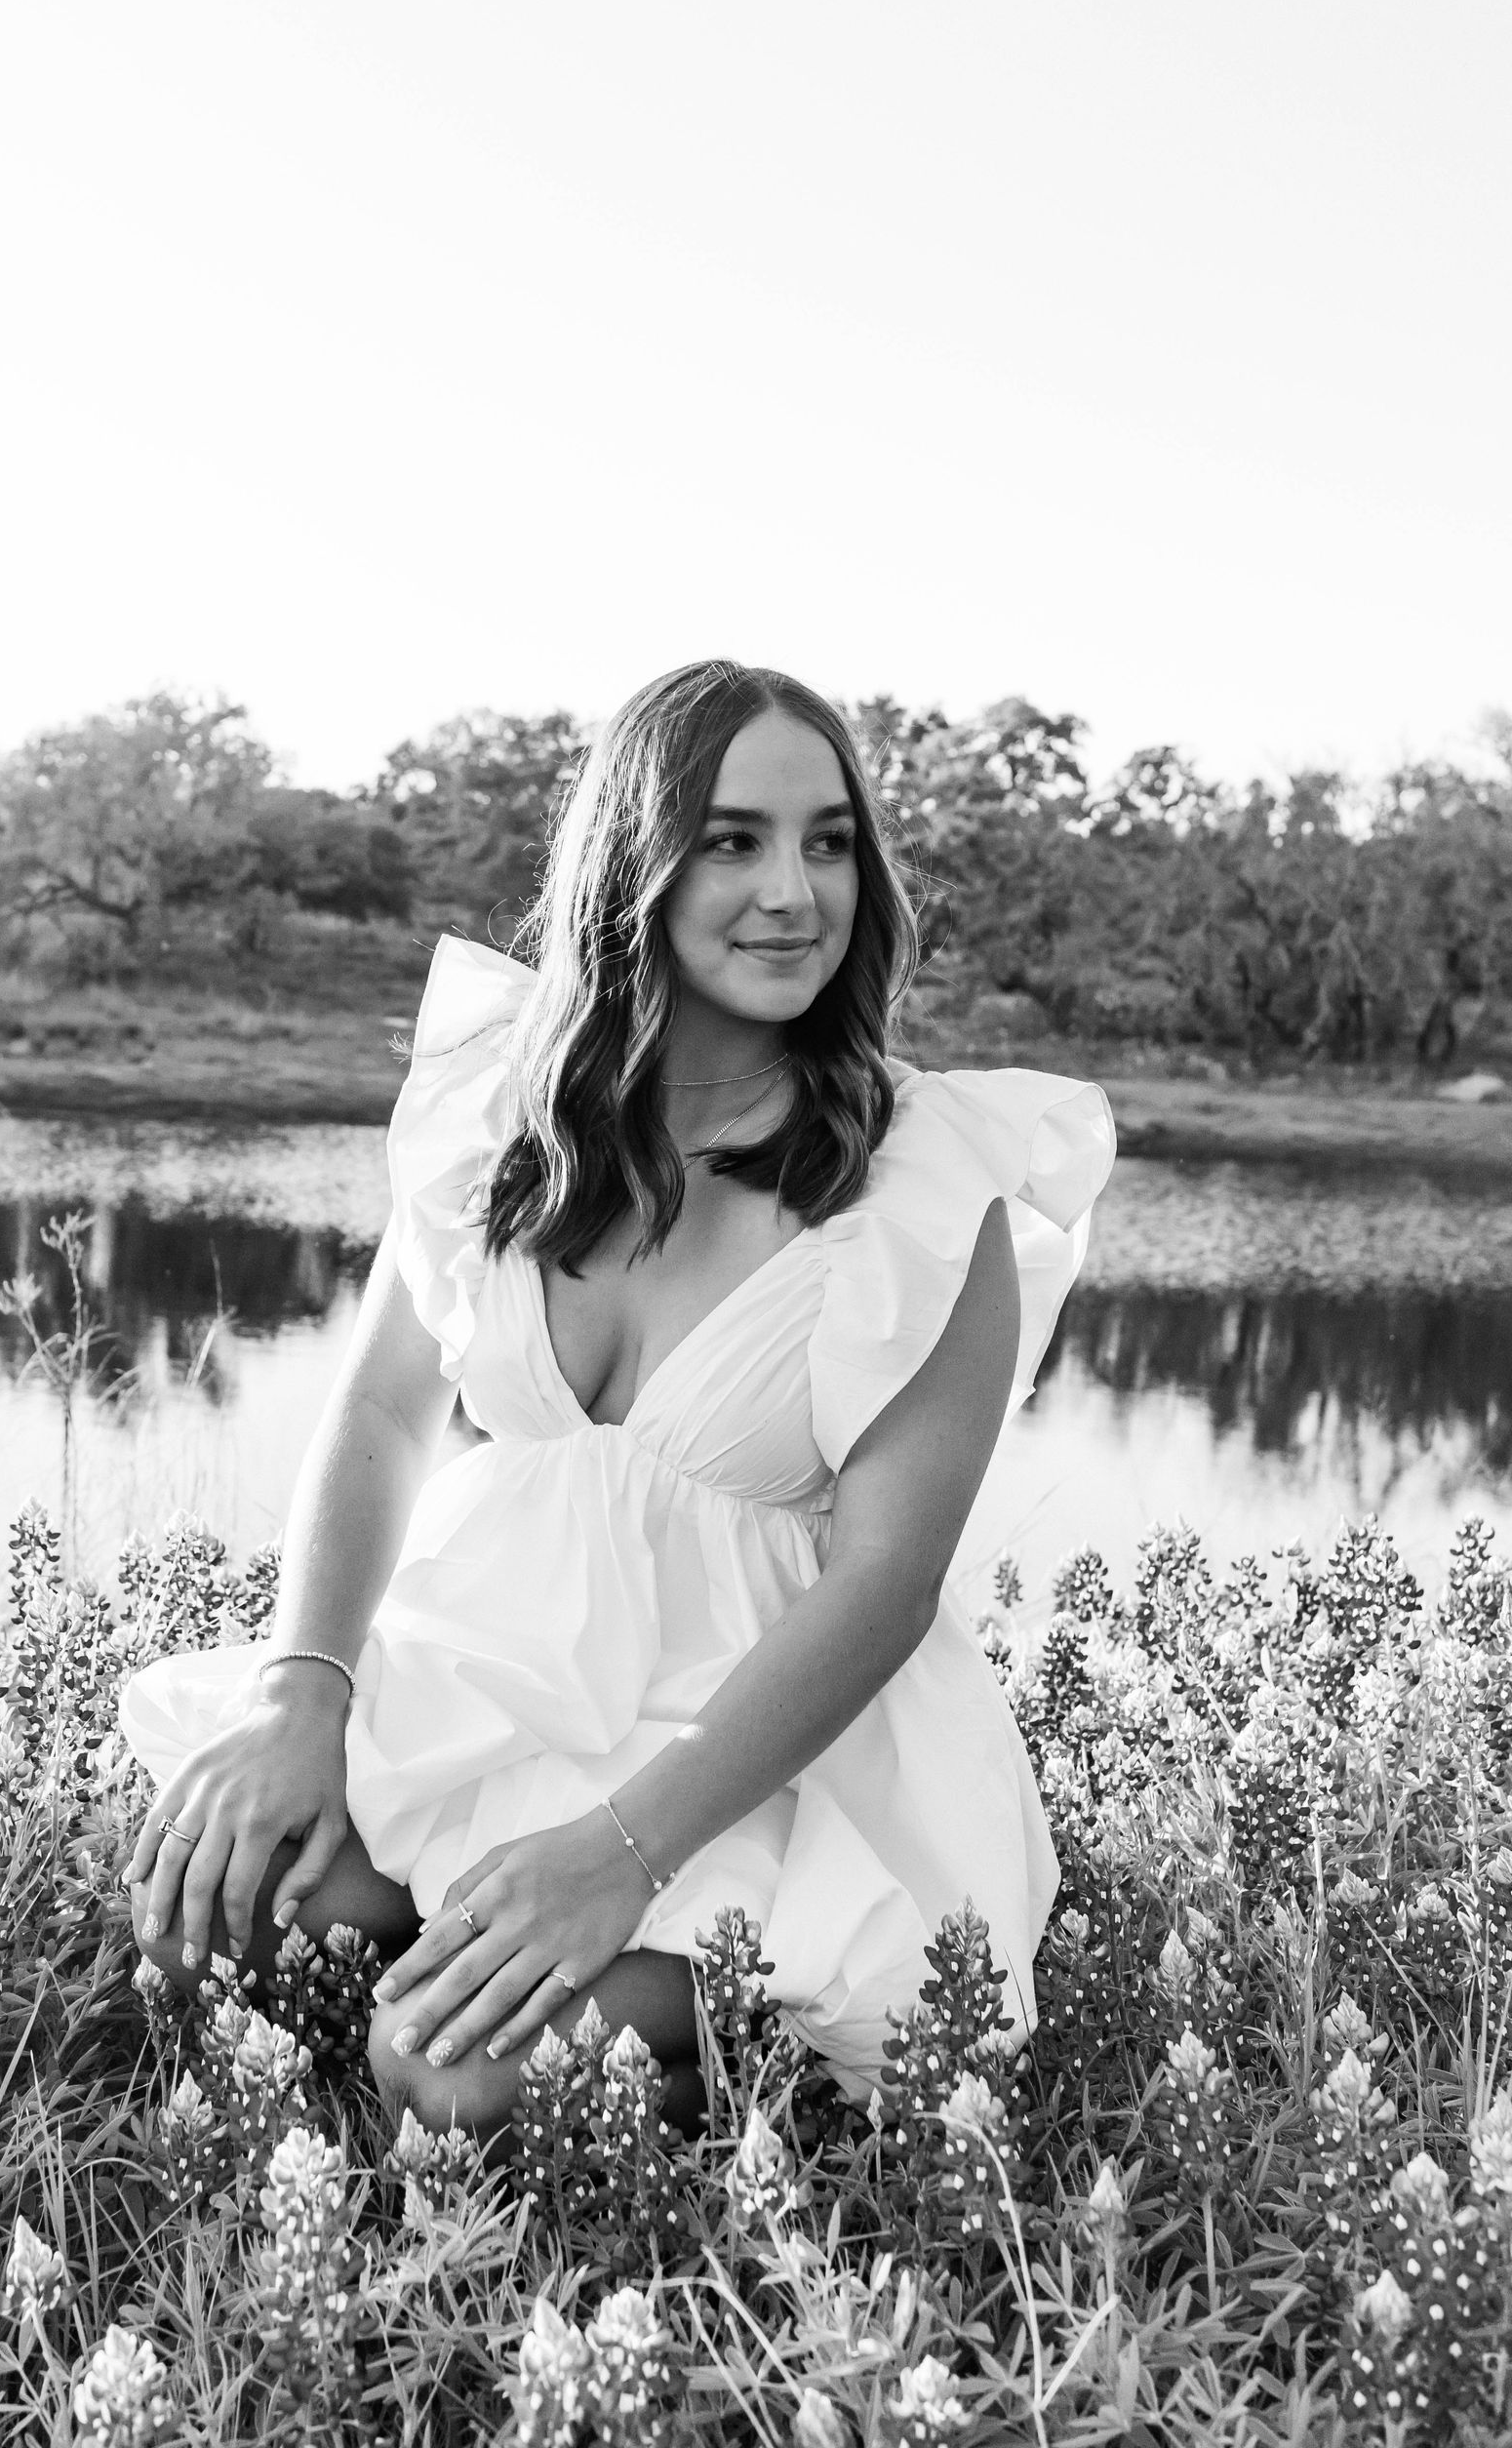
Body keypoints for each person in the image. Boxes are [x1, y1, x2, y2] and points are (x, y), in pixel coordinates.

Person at [121, 659, 1114, 2133]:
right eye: (733, 841)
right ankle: (462, 1945)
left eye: (829, 842)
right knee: (210, 1903)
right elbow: (384, 1411)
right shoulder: (500, 1114)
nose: (793, 893)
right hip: (499, 1677)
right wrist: (302, 1692)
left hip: (751, 1764)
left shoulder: (923, 1179)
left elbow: (888, 1582)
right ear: (632, 862)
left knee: (446, 2073)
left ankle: (747, 2059)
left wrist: (620, 1856)